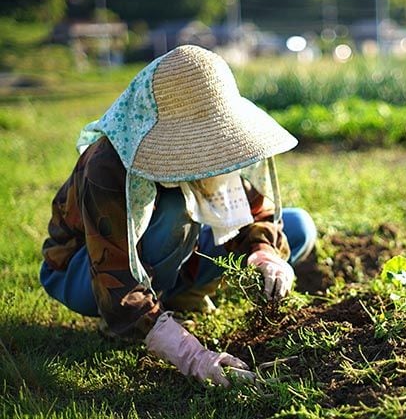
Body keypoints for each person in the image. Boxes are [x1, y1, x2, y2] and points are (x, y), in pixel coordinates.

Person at [39, 45, 317, 387]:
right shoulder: (107, 166)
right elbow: (113, 274)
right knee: (176, 213)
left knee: (298, 226)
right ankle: (145, 318)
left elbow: (257, 211)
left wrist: (264, 254)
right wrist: (190, 354)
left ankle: (179, 293)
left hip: (174, 251)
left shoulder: (223, 145)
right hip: (84, 271)